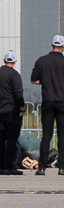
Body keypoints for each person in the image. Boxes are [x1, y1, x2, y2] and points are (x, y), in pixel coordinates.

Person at [31, 35, 64, 175]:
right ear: (63, 46)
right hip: (62, 102)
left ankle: (42, 167)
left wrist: (46, 81)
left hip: (48, 101)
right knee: (62, 135)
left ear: (51, 45)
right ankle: (62, 167)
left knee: (46, 135)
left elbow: (34, 80)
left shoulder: (41, 60)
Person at [0, 50, 25, 175]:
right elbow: (18, 93)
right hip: (12, 112)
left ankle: (1, 167)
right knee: (11, 139)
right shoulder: (15, 75)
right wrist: (22, 108)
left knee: (0, 139)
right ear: (15, 61)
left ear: (4, 60)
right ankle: (10, 166)